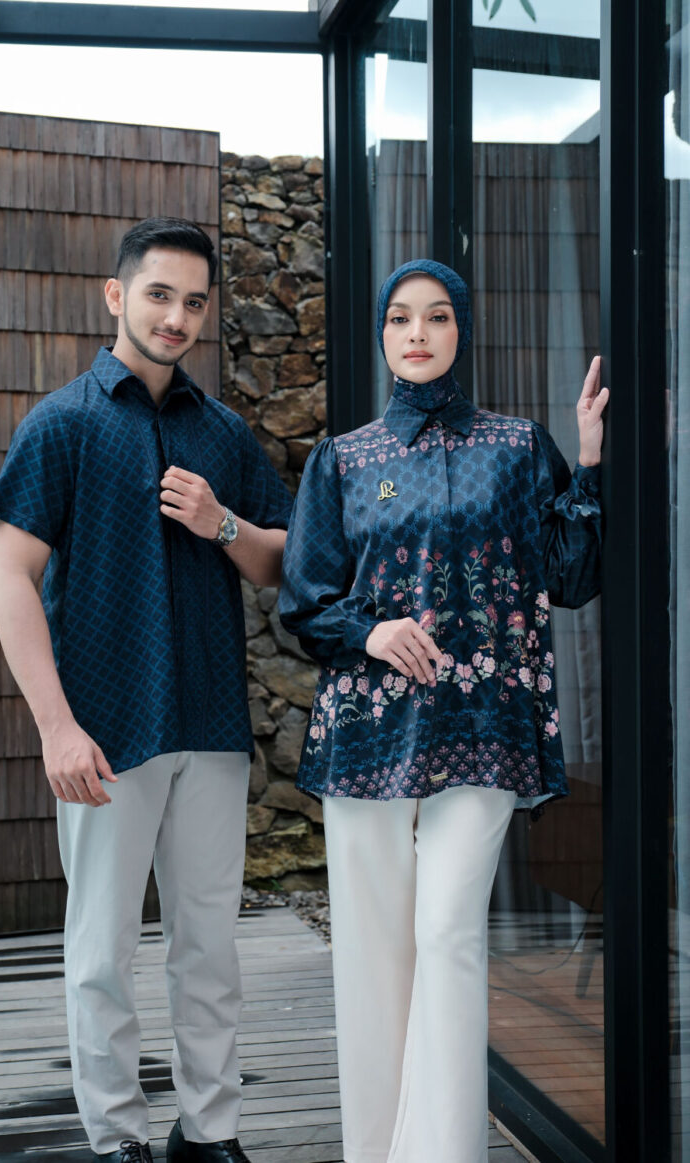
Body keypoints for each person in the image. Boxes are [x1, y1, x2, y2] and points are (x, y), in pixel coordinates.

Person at [278, 258, 608, 1163]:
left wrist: (588, 461)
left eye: (435, 316)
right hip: (368, 731)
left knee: (447, 933)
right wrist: (371, 631)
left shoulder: (516, 446)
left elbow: (571, 575)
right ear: (383, 334)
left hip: (486, 729)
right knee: (373, 953)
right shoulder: (343, 459)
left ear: (461, 329)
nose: (416, 333)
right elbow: (304, 601)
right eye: (399, 317)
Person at [0, 217, 292, 1163]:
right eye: (159, 294)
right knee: (101, 953)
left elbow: (279, 560)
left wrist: (220, 520)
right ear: (116, 295)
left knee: (210, 948)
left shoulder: (221, 432)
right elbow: (8, 574)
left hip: (209, 721)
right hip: (105, 730)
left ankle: (211, 1132)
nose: (176, 317)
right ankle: (119, 1139)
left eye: (194, 301)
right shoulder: (61, 423)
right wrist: (55, 727)